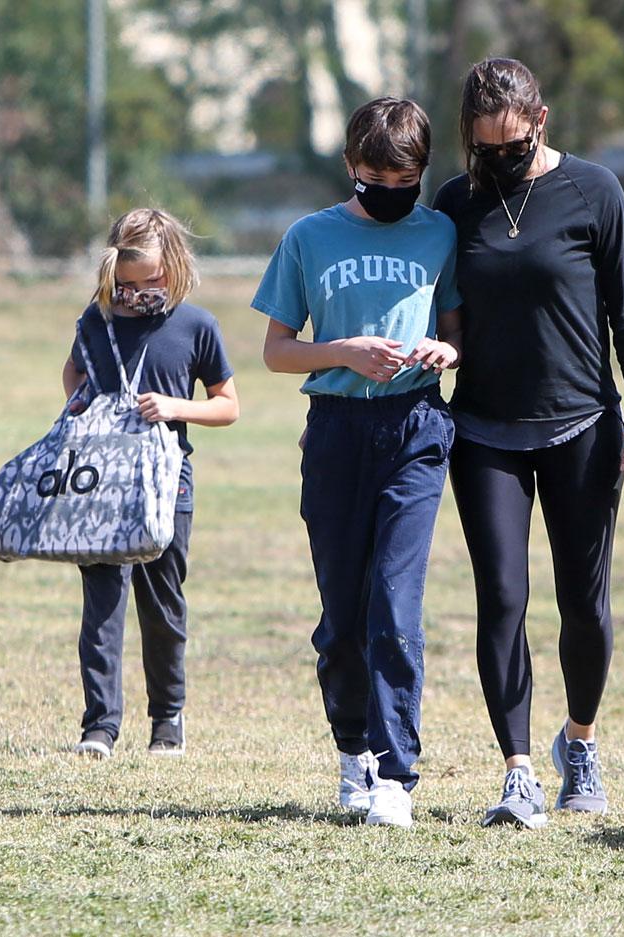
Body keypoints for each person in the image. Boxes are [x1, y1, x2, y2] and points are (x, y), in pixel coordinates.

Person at [433, 58, 624, 828]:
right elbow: (441, 311)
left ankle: (581, 743)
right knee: (501, 598)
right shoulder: (456, 203)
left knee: (584, 605)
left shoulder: (593, 191)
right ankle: (518, 770)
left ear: (540, 121)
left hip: (581, 425)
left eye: (511, 144)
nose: (498, 159)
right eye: (483, 146)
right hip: (484, 431)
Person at [253, 97, 462, 829]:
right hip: (337, 430)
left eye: (403, 176)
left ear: (421, 173)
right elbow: (277, 350)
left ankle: (397, 776)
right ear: (350, 166)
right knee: (343, 617)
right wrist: (344, 351)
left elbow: (458, 331)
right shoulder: (309, 237)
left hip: (417, 428)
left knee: (394, 607)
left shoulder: (440, 232)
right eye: (374, 174)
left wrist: (446, 351)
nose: (389, 187)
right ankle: (354, 752)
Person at [63, 207, 240, 759]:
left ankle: (167, 718)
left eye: (152, 280)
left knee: (162, 604)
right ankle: (100, 725)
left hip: (168, 482)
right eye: (128, 283)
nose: (139, 293)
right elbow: (73, 372)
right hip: (101, 479)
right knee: (102, 599)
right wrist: (81, 399)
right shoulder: (96, 322)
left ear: (176, 266)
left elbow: (228, 406)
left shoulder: (194, 325)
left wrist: (173, 407)